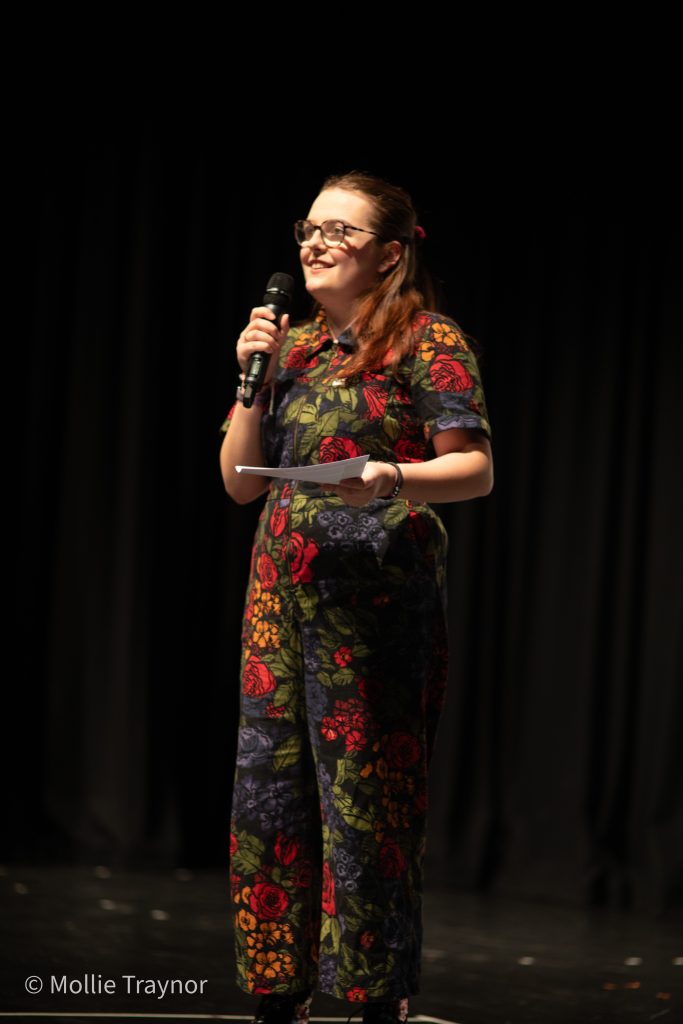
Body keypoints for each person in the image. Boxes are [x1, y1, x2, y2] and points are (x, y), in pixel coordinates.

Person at [219, 171, 493, 1024]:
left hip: (373, 611)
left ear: (387, 254)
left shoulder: (427, 340)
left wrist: (391, 476)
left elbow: (474, 469)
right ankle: (276, 987)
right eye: (310, 228)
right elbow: (236, 484)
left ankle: (375, 995)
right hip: (280, 602)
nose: (316, 244)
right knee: (269, 795)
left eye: (340, 232)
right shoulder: (290, 348)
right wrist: (249, 383)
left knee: (365, 801)